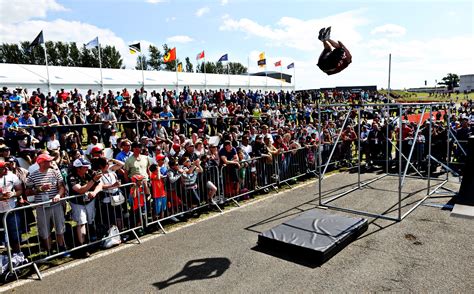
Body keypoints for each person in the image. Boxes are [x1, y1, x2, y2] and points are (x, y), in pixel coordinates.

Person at [25, 154, 67, 254]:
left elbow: (61, 187)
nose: (51, 162)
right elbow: (27, 191)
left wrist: (58, 195)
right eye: (48, 161)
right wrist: (40, 189)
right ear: (42, 163)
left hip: (56, 205)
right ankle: (49, 250)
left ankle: (61, 248)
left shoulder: (55, 172)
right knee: (44, 230)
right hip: (42, 207)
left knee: (60, 227)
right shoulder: (33, 175)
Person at [67, 158, 103, 258]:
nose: (87, 168)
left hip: (90, 201)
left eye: (88, 166)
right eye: (85, 167)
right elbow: (80, 190)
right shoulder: (71, 177)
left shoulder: (90, 172)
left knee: (90, 221)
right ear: (78, 168)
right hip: (77, 203)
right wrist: (93, 180)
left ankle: (91, 241)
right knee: (81, 222)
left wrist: (94, 192)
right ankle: (82, 246)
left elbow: (100, 184)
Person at [0, 161, 23, 253]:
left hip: (11, 210)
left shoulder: (11, 176)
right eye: (3, 168)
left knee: (14, 234)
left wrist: (13, 194)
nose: (6, 169)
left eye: (6, 167)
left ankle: (18, 254)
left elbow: (20, 190)